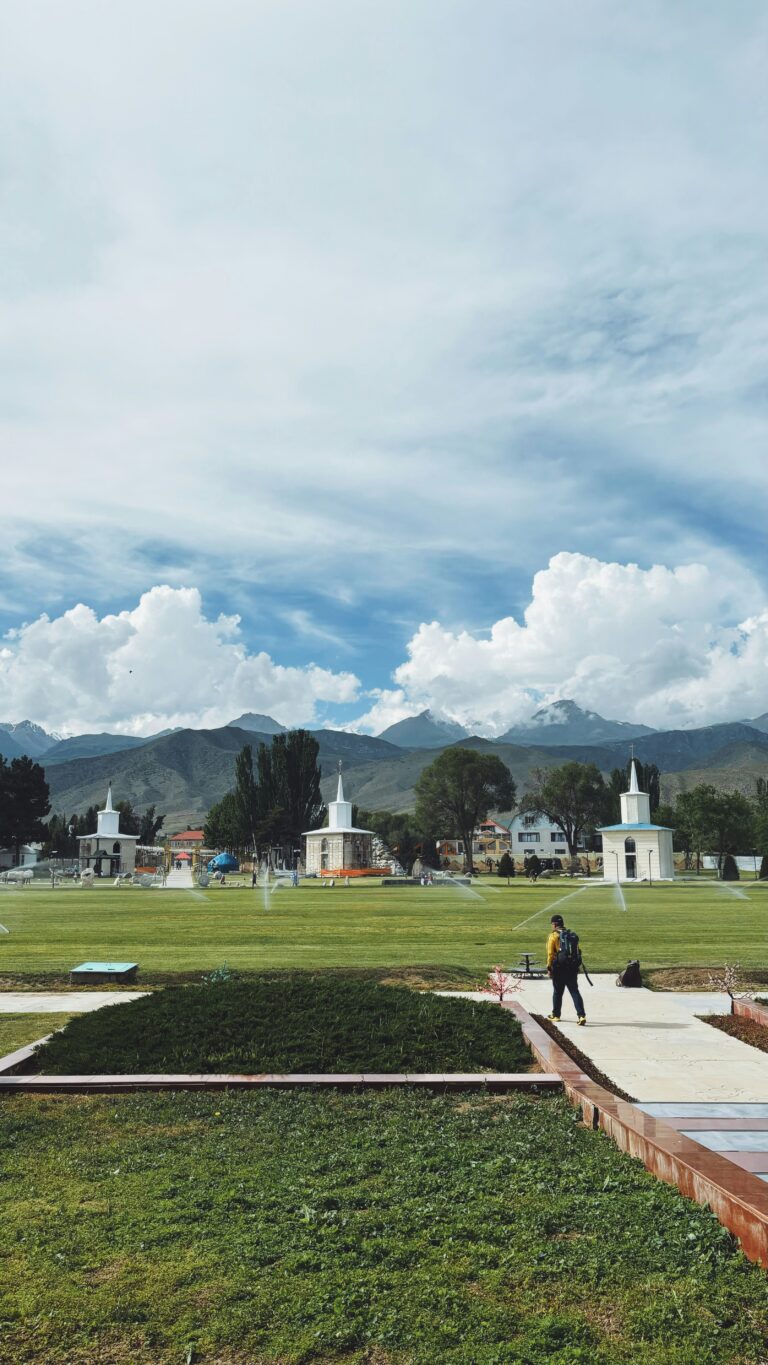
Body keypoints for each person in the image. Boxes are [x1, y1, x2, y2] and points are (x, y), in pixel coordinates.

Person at [546, 913, 586, 1025]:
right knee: (574, 991)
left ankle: (556, 1015)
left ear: (554, 924)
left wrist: (549, 968)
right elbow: (578, 951)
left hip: (559, 969)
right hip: (572, 968)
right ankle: (581, 1015)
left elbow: (550, 954)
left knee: (558, 992)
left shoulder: (553, 936)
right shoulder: (571, 935)